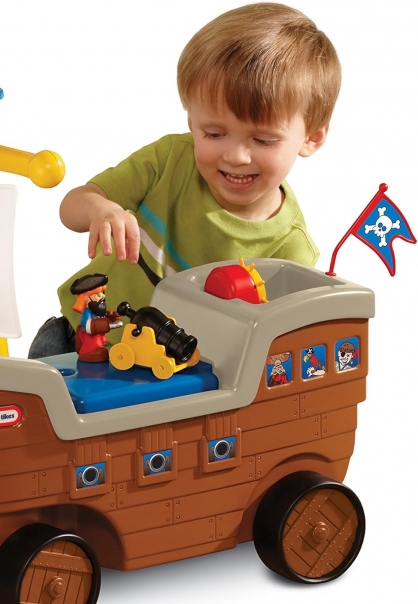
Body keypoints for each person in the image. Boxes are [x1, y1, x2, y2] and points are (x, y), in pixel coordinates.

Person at [29, 2, 341, 359]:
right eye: (214, 133)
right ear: (192, 121)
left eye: (263, 140)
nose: (236, 156)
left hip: (179, 379)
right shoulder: (170, 160)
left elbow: (271, 349)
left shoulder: (292, 250)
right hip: (78, 343)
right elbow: (71, 206)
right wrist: (100, 209)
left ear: (311, 138)